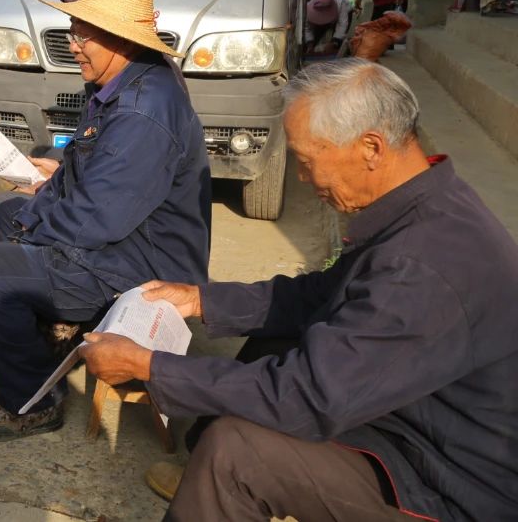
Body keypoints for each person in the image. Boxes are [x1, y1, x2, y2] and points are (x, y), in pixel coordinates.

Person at [82, 59, 518, 521]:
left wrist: (150, 366)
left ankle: (215, 482)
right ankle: (203, 479)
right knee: (277, 335)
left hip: (450, 485)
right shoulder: (426, 201)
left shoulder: (420, 267)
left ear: (370, 147)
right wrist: (200, 299)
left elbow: (307, 397)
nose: (306, 180)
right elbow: (318, 297)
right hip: (413, 421)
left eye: (308, 162)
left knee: (238, 455)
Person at [0, 0, 211, 442]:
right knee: (5, 212)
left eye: (83, 34)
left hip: (141, 264)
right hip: (128, 236)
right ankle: (53, 329)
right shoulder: (127, 79)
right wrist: (47, 185)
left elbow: (94, 221)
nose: (73, 44)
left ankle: (31, 402)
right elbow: (88, 165)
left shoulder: (142, 110)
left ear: (119, 38)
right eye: (73, 31)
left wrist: (37, 216)